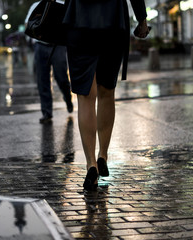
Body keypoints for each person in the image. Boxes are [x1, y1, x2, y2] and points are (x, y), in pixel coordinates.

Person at [63, 0, 149, 190]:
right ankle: (103, 154)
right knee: (107, 92)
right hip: (113, 21)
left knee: (85, 96)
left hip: (79, 21)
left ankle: (91, 164)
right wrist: (141, 19)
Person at [25, 1, 73, 124]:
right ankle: (47, 113)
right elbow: (27, 23)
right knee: (42, 80)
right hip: (40, 46)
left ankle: (68, 98)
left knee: (62, 77)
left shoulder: (63, 4)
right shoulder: (36, 5)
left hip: (58, 45)